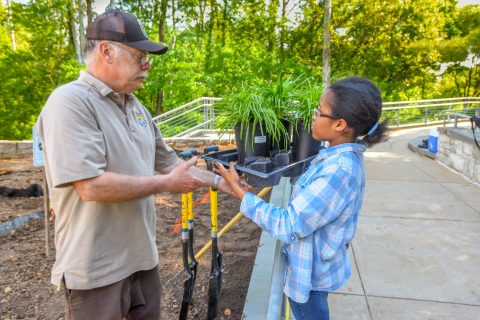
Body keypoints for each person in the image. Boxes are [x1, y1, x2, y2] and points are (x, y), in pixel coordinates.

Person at [35, 9, 243, 320]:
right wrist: (165, 185)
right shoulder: (70, 102)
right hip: (96, 270)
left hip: (143, 260)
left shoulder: (135, 107)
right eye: (139, 56)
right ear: (106, 51)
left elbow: (172, 163)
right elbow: (91, 186)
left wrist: (224, 183)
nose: (147, 65)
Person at [214, 76, 389, 320]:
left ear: (340, 124)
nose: (313, 116)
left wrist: (241, 192)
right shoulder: (334, 156)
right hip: (313, 267)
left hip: (310, 279)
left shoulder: (339, 171)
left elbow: (288, 224)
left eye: (319, 111)